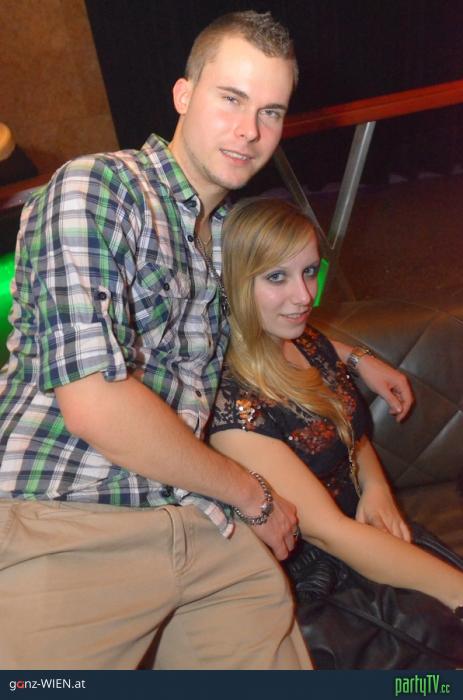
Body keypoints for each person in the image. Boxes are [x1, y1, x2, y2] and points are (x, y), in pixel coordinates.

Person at [0, 11, 411, 670]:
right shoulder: (100, 188)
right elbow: (96, 404)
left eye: (270, 112)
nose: (249, 130)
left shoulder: (223, 239)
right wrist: (254, 496)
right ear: (183, 95)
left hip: (198, 522)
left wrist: (358, 357)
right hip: (67, 514)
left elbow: (274, 322)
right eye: (231, 99)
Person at [209, 196, 463, 669]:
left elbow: (346, 431)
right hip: (325, 583)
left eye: (309, 271)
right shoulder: (233, 402)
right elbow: (328, 534)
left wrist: (376, 486)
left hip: (373, 535)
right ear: (235, 282)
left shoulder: (303, 340)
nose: (305, 295)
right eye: (277, 277)